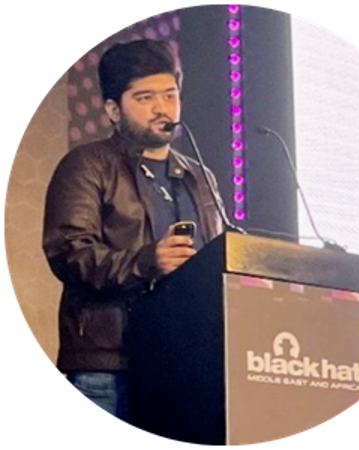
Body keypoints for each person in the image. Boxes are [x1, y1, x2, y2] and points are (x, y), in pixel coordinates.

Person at [42, 39, 227, 426]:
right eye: (145, 97)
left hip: (187, 364)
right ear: (113, 109)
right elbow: (70, 253)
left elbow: (219, 256)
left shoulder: (200, 177)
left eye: (170, 95)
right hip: (109, 364)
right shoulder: (88, 164)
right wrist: (147, 261)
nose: (162, 108)